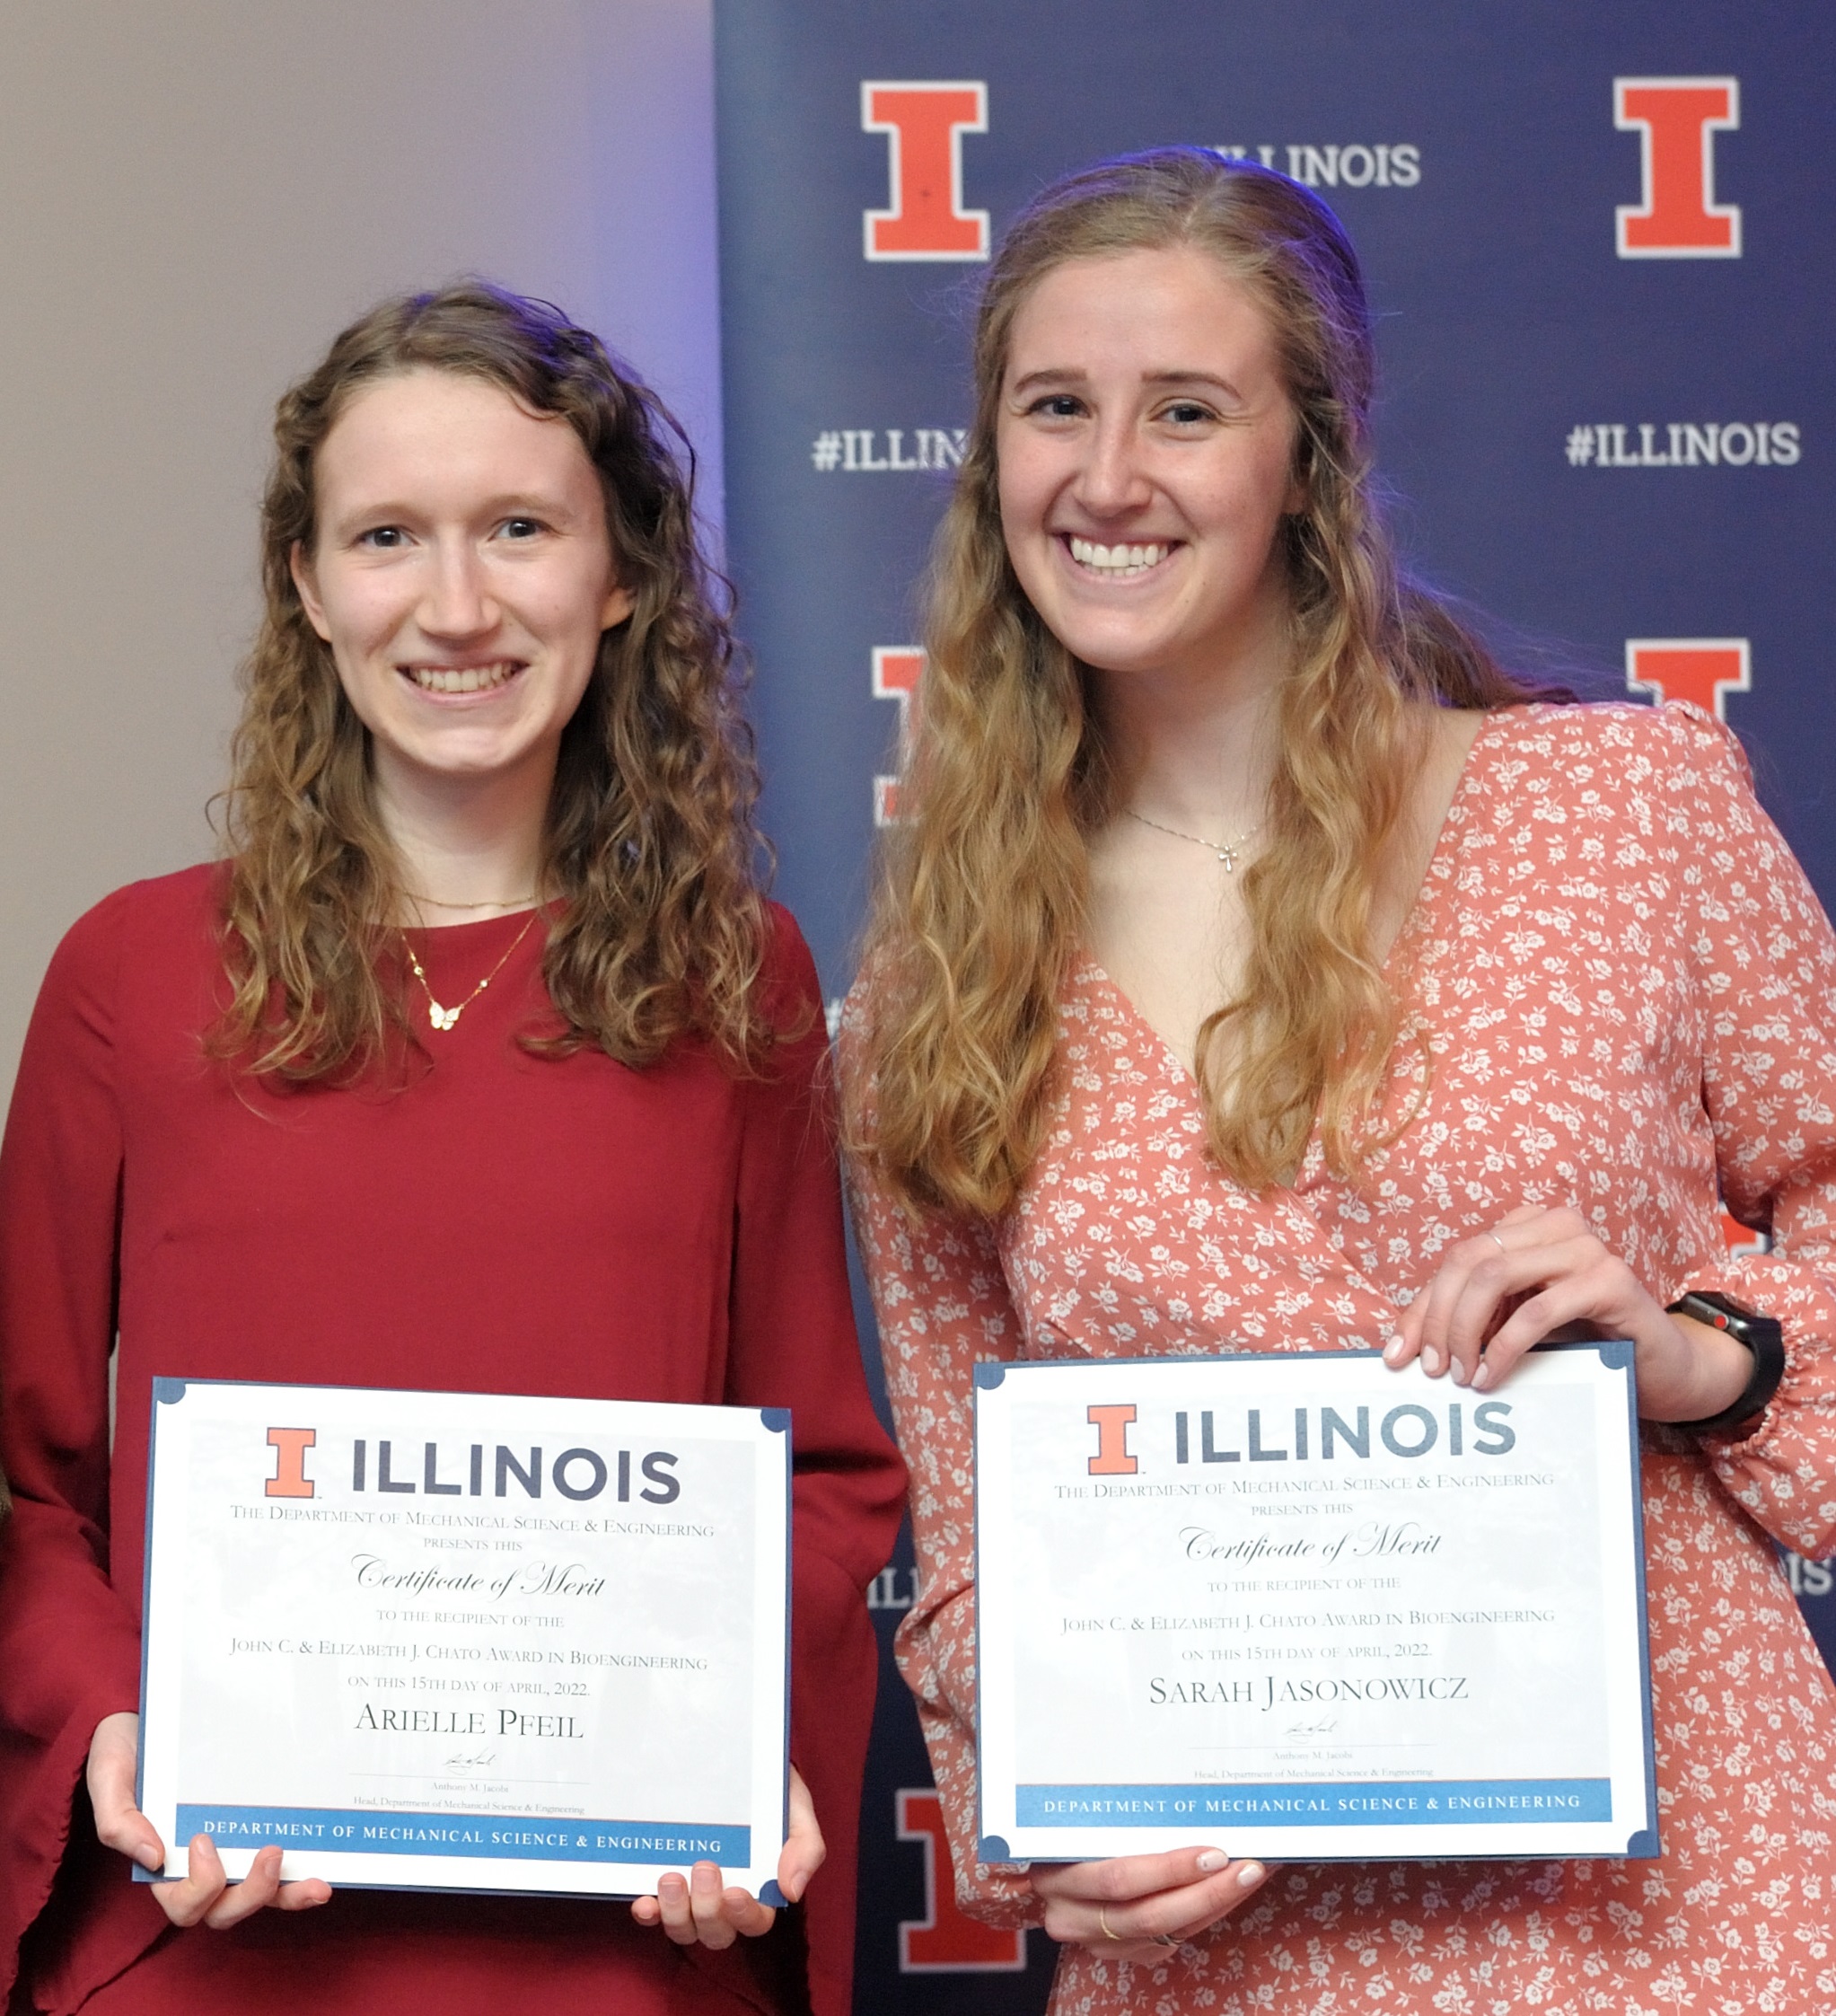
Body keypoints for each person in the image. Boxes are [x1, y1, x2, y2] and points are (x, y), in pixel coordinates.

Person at [839, 149, 1836, 2012]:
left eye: (1188, 411)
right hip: (1225, 1955)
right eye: (1056, 408)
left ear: (1313, 457)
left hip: (1680, 1910)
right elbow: (969, 1531)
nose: (1110, 477)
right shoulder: (936, 986)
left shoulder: (1627, 808)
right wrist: (1042, 1836)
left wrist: (1711, 1352)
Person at [0, 282, 904, 2016]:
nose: (459, 603)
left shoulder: (741, 979)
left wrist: (731, 1747)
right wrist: (115, 1719)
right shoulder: (131, 974)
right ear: (308, 585)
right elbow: (32, 1483)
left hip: (614, 1958)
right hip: (211, 1945)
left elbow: (823, 1474)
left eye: (519, 528)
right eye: (388, 536)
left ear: (619, 574)